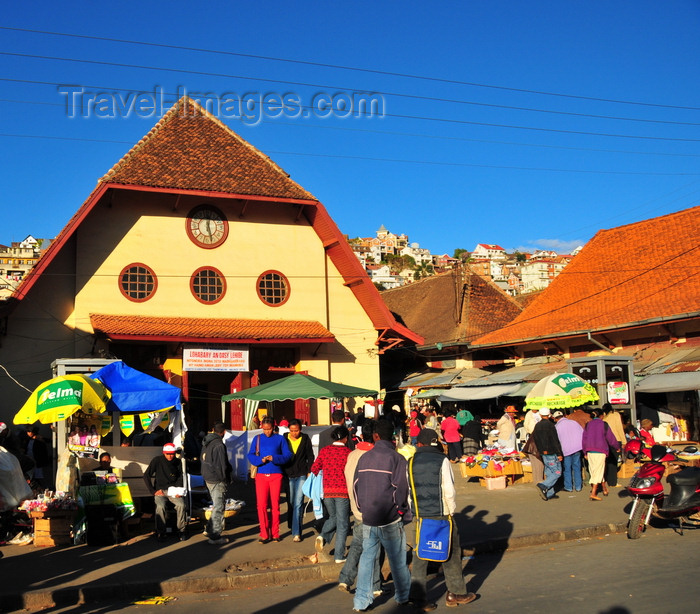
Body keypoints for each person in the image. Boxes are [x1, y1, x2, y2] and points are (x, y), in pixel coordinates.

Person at [408, 428, 477, 611]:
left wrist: (414, 510)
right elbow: (449, 490)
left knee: (420, 556)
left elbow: (409, 491)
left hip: (421, 516)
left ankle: (418, 598)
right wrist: (451, 512)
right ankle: (456, 593)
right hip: (442, 514)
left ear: (419, 444)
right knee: (451, 554)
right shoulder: (442, 460)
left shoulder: (411, 462)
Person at [351, 419, 412, 612]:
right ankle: (402, 596)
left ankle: (361, 601)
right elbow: (401, 489)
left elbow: (355, 486)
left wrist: (362, 508)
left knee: (367, 559)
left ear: (376, 436)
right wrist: (401, 510)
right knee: (397, 560)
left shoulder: (364, 458)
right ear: (392, 436)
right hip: (390, 519)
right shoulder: (397, 458)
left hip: (368, 517)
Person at [338, 419, 384, 596]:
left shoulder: (353, 454)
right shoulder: (373, 456)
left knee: (358, 543)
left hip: (356, 507)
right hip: (371, 508)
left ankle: (346, 578)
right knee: (373, 547)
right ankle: (375, 585)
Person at [247, 416, 292, 543]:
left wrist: (275, 458)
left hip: (276, 475)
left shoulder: (280, 439)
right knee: (261, 505)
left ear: (273, 427)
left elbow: (287, 455)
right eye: (264, 429)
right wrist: (260, 460)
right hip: (261, 475)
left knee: (275, 505)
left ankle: (275, 533)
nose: (267, 431)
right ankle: (264, 533)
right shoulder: (257, 438)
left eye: (269, 429)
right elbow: (250, 455)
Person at [311, 425, 352, 562]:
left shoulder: (325, 451)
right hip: (342, 492)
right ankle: (339, 556)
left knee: (333, 517)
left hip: (327, 492)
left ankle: (322, 536)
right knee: (342, 524)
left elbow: (314, 468)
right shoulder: (348, 453)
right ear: (346, 439)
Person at [143, 443, 187, 541]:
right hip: (160, 491)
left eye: (172, 453)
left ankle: (181, 531)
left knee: (181, 505)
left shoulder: (178, 462)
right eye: (167, 454)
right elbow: (146, 475)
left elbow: (180, 477)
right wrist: (153, 491)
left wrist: (179, 491)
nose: (170, 456)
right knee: (160, 507)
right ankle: (161, 532)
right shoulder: (157, 460)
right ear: (164, 453)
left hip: (174, 490)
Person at [283, 418, 314, 542]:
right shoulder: (284, 438)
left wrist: (309, 471)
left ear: (300, 429)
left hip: (301, 473)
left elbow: (310, 456)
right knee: (290, 502)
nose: (293, 433)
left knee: (298, 502)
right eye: (291, 430)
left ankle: (297, 532)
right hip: (287, 474)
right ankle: (292, 523)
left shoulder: (305, 439)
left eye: (296, 431)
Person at [201, 422, 232, 545]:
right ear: (223, 432)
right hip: (216, 479)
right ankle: (215, 535)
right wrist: (224, 478)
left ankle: (209, 529)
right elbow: (221, 465)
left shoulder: (206, 442)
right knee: (219, 507)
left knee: (216, 505)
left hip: (208, 477)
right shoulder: (218, 445)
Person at [582, 411, 620, 501]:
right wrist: (616, 447)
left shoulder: (588, 424)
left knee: (594, 470)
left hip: (590, 450)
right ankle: (594, 493)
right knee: (598, 471)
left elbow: (584, 439)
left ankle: (604, 489)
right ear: (601, 416)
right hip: (600, 450)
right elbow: (611, 438)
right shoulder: (604, 424)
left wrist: (584, 452)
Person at [531, 408, 563, 501]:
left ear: (540, 415)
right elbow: (555, 440)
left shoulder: (537, 425)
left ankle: (550, 492)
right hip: (551, 452)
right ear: (549, 415)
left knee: (549, 472)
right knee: (557, 472)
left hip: (543, 452)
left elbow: (535, 439)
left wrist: (541, 450)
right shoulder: (551, 425)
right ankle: (543, 485)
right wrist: (559, 453)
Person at [554, 410, 583, 492]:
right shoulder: (574, 422)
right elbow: (582, 433)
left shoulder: (557, 427)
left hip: (565, 450)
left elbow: (556, 440)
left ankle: (568, 487)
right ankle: (578, 486)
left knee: (567, 469)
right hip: (577, 448)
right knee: (577, 467)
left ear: (555, 419)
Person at [603, 403, 626, 487]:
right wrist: (624, 441)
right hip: (616, 440)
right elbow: (619, 428)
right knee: (614, 462)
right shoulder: (616, 415)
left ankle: (607, 479)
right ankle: (613, 482)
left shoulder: (604, 417)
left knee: (608, 462)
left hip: (606, 441)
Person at [523, 408, 544, 484]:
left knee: (536, 463)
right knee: (538, 463)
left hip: (534, 442)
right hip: (534, 439)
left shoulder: (540, 413)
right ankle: (538, 480)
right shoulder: (529, 414)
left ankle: (537, 480)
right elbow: (526, 425)